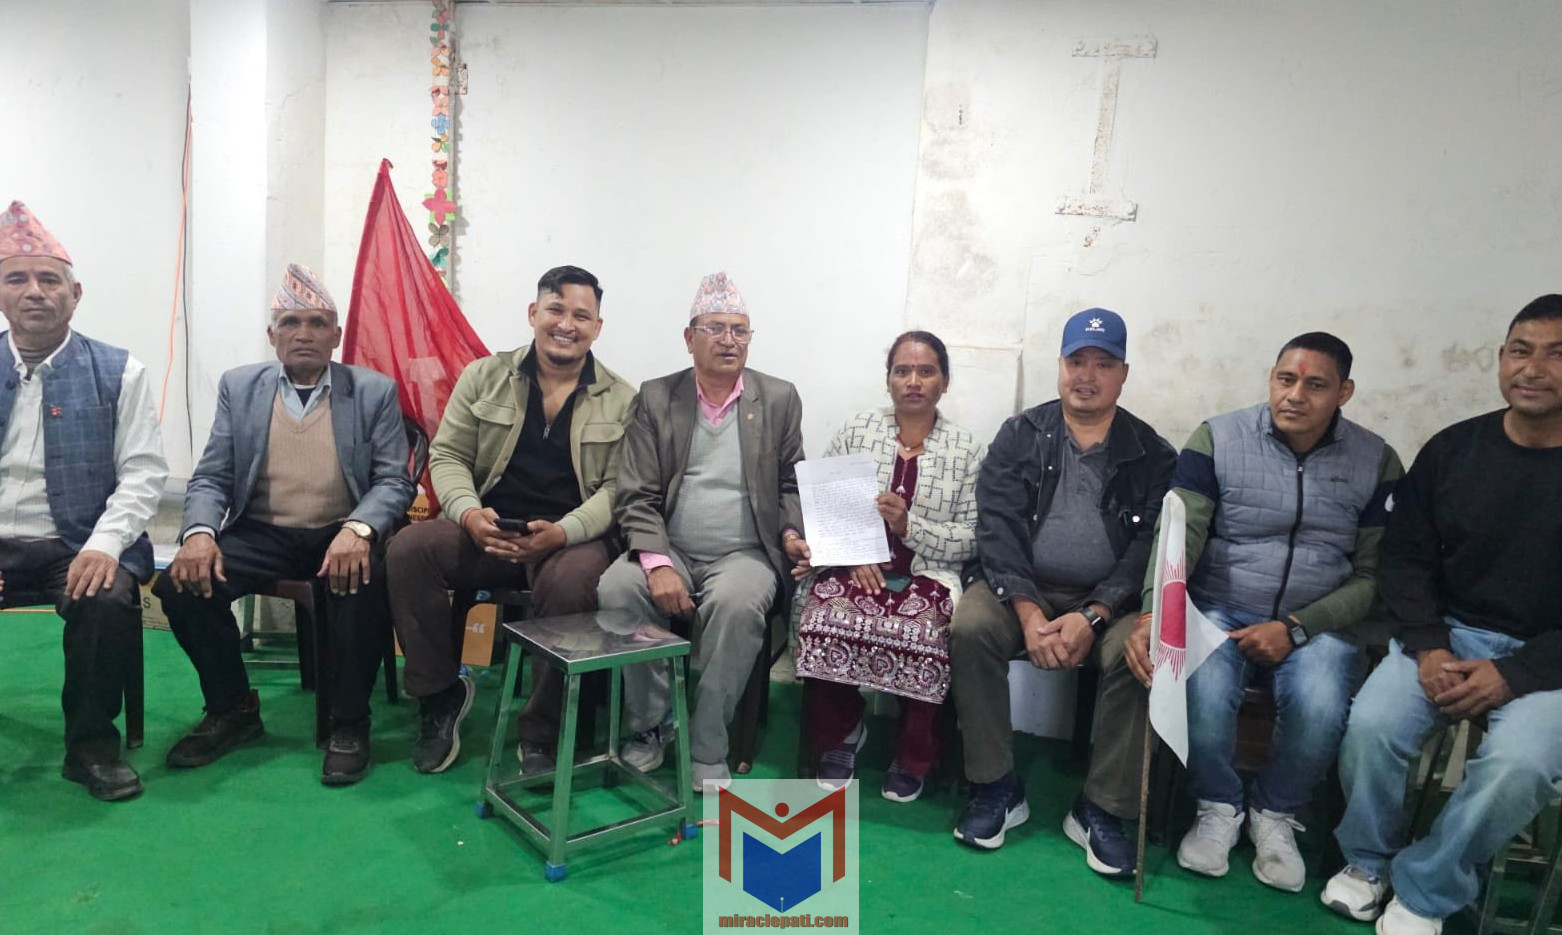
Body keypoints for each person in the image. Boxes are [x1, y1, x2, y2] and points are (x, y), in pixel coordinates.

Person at [1322, 296, 1562, 935]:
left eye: (1557, 354)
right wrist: (1428, 645)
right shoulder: (1454, 450)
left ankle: (1428, 888)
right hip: (1447, 635)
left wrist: (1516, 673)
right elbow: (1405, 559)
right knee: (1371, 726)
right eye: (1521, 350)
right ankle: (1367, 862)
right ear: (1502, 358)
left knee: (1520, 766)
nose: (1534, 368)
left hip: (1548, 660)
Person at [1143, 332, 1402, 892]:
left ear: (1344, 393)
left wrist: (1297, 628)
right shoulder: (1218, 438)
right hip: (1221, 606)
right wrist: (1153, 614)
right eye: (1286, 379)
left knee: (1320, 705)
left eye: (1316, 385)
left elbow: (1374, 575)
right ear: (1271, 378)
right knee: (1204, 691)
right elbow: (1178, 539)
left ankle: (1275, 813)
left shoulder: (1377, 460)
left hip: (1321, 620)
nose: (1295, 396)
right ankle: (1218, 807)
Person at [157, 264, 413, 786]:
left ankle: (349, 723)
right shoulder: (239, 387)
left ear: (336, 336)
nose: (303, 333)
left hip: (341, 529)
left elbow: (394, 480)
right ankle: (232, 709)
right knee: (181, 588)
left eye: (317, 323)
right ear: (272, 334)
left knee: (365, 583)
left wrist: (360, 529)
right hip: (263, 531)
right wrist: (200, 533)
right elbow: (212, 476)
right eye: (291, 322)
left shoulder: (373, 391)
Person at [386, 265, 635, 775]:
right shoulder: (484, 376)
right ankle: (440, 697)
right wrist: (468, 513)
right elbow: (449, 455)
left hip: (569, 538)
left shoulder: (622, 399)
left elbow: (617, 490)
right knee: (408, 550)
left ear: (598, 327)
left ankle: (543, 730)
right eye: (556, 310)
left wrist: (563, 532)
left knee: (571, 584)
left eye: (581, 315)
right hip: (488, 529)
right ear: (533, 313)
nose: (566, 324)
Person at [949, 308, 1176, 851]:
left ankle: (1102, 808)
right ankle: (995, 787)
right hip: (1018, 587)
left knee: (1140, 652)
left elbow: (1147, 551)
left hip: (1110, 601)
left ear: (1123, 374)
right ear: (1060, 366)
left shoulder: (1152, 454)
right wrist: (1028, 612)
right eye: (1077, 361)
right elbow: (997, 528)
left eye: (1103, 364)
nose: (1087, 376)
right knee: (970, 629)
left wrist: (1094, 614)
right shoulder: (1020, 435)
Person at [598, 271, 808, 794]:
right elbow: (636, 493)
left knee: (737, 605)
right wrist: (657, 563)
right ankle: (652, 722)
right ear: (689, 337)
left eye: (740, 330)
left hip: (745, 553)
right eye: (715, 328)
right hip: (670, 547)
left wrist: (790, 533)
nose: (728, 340)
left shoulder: (778, 398)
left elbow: (791, 483)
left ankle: (708, 745)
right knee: (618, 587)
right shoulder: (656, 397)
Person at [0, 201, 168, 801]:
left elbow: (143, 472)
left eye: (49, 280)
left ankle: (92, 748)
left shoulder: (121, 371)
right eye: (17, 279)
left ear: (75, 295)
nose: (34, 292)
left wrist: (103, 546)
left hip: (74, 543)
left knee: (106, 597)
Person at [792, 331, 984, 803]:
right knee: (823, 614)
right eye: (902, 371)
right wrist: (849, 555)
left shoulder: (967, 450)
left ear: (945, 382)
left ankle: (914, 753)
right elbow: (824, 508)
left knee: (925, 629)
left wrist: (907, 526)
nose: (913, 381)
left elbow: (972, 537)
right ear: (888, 380)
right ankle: (841, 733)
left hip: (928, 573)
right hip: (853, 567)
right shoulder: (857, 431)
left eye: (926, 371)